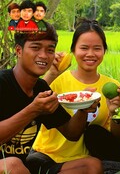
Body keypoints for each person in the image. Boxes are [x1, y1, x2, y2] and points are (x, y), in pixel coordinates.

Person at [0, 21, 103, 173]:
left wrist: (84, 106)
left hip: (24, 166)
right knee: (13, 165)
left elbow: (71, 133)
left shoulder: (41, 88)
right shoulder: (3, 83)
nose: (43, 55)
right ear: (18, 50)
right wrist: (33, 110)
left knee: (91, 166)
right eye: (35, 47)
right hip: (9, 166)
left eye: (50, 50)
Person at [28, 19, 120, 174]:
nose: (90, 54)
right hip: (49, 156)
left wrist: (114, 111)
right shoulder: (59, 81)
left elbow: (116, 138)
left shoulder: (112, 86)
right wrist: (52, 74)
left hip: (88, 160)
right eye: (84, 48)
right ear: (73, 50)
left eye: (97, 48)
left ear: (104, 51)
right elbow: (30, 100)